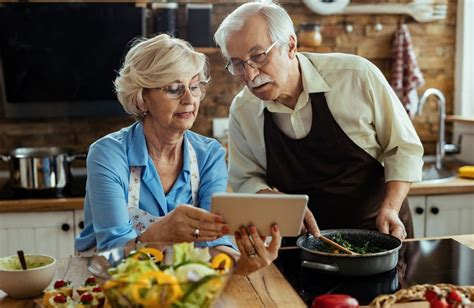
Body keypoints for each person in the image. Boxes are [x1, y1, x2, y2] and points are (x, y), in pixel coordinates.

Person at [214, 2, 424, 241]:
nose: (250, 75)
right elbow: (245, 177)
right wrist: (271, 199)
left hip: (378, 236)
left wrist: (391, 208)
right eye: (238, 64)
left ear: (290, 45)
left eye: (259, 56)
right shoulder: (243, 111)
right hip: (302, 246)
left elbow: (403, 148)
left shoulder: (356, 77)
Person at [75, 34, 280, 275]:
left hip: (181, 281)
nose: (189, 99)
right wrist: (162, 233)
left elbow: (213, 245)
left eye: (194, 87)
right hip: (110, 282)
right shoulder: (108, 154)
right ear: (142, 99)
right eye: (174, 89)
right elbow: (113, 252)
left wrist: (240, 264)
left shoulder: (209, 155)